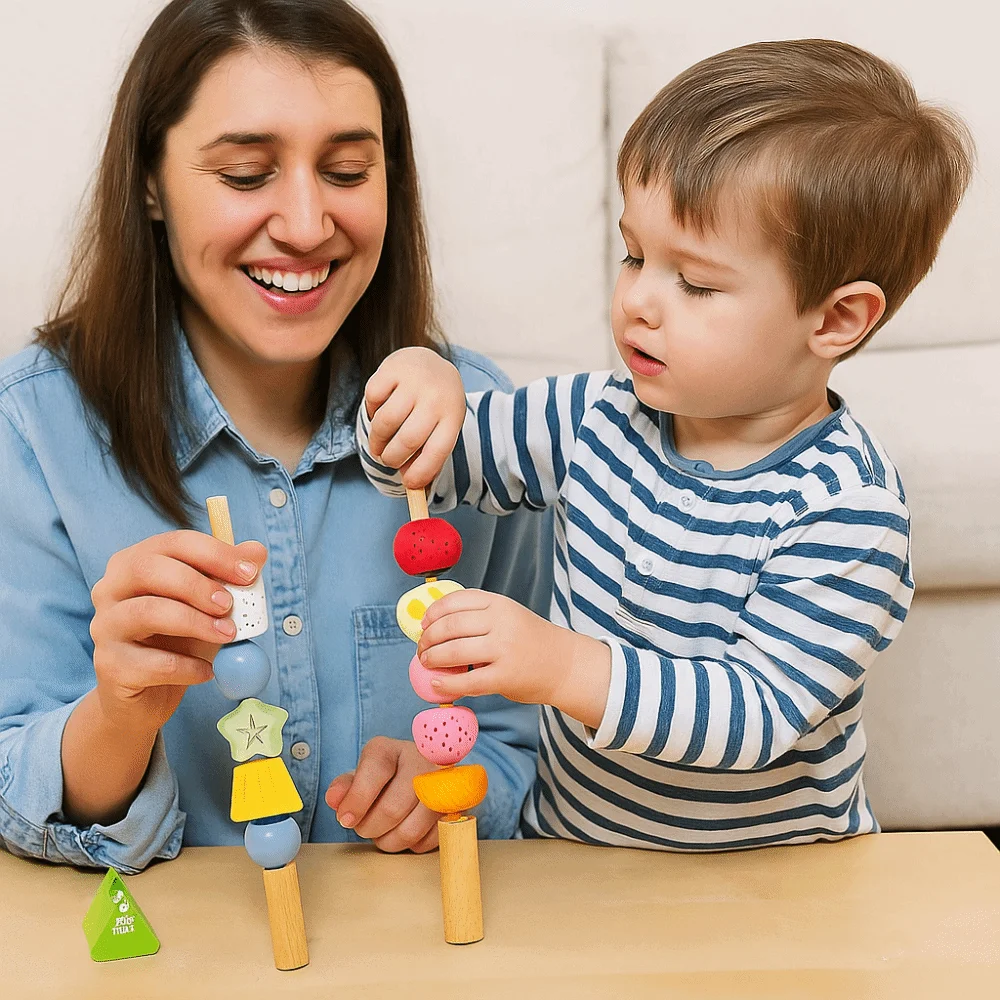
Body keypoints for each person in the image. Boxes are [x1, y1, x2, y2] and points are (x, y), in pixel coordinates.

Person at [357, 39, 974, 850]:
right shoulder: (593, 416)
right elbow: (423, 466)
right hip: (574, 849)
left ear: (835, 319)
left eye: (696, 282)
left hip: (776, 881)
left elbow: (754, 716)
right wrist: (417, 386)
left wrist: (561, 665)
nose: (638, 301)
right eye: (635, 255)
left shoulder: (846, 507)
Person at [0, 0, 551, 874]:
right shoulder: (34, 430)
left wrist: (456, 787)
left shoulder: (481, 427)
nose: (304, 224)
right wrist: (121, 712)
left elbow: (529, 742)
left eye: (346, 171)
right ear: (150, 182)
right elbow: (17, 790)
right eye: (247, 174)